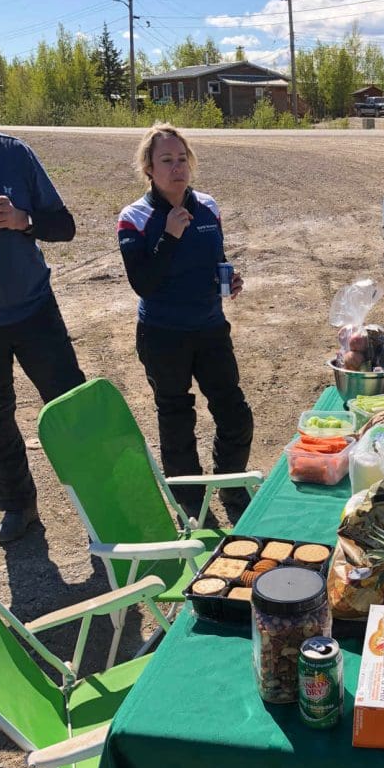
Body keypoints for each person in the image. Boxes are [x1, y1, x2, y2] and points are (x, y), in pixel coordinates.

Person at [0, 55, 85, 543]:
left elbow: (65, 226)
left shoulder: (14, 154)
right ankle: (17, 505)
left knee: (72, 407)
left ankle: (104, 494)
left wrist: (23, 220)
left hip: (33, 311)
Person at [117, 122, 253, 520]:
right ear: (149, 168)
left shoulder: (208, 206)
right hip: (163, 334)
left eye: (181, 159)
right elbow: (143, 282)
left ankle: (230, 487)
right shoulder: (135, 217)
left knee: (234, 411)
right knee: (176, 418)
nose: (176, 168)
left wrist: (228, 279)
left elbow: (214, 260)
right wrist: (169, 235)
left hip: (210, 328)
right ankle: (191, 501)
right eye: (166, 160)